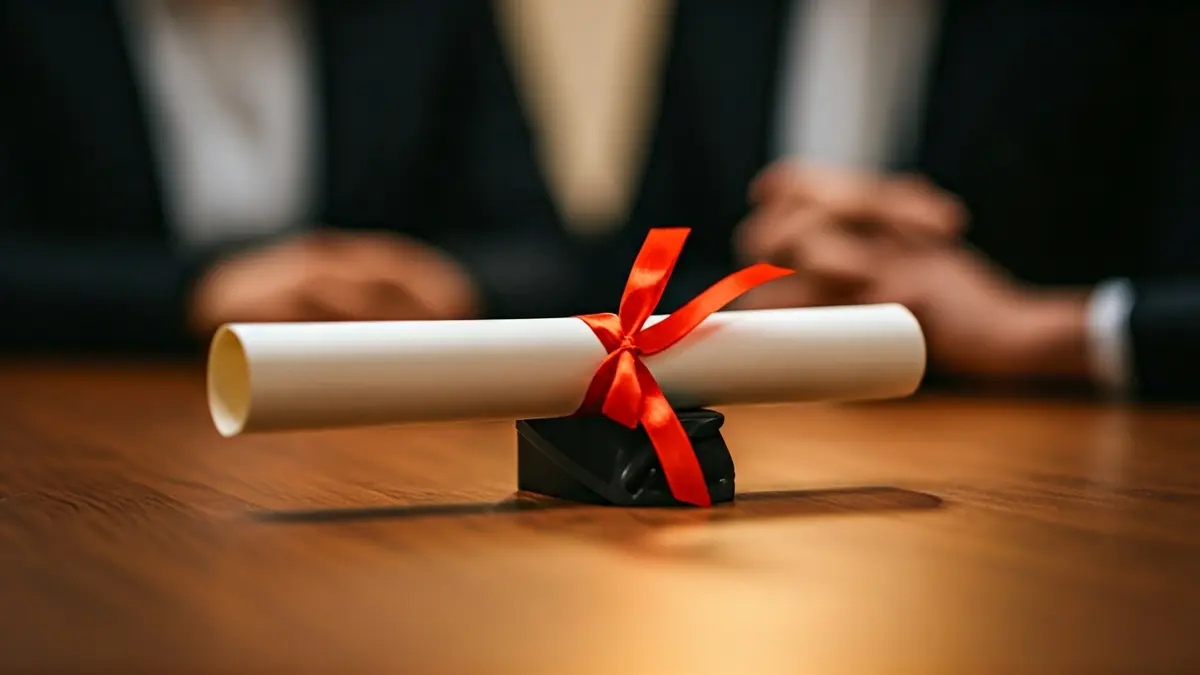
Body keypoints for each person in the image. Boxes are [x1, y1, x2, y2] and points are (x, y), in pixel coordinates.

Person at [605, 1, 1200, 400]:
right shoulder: (722, 17)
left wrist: (1037, 331)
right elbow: (640, 260)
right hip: (772, 448)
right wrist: (740, 304)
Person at [0, 0, 587, 355]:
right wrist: (195, 293)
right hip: (87, 425)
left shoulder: (425, 15)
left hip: (373, 427)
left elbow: (542, 253)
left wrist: (449, 283)